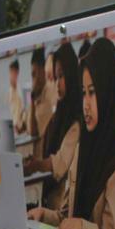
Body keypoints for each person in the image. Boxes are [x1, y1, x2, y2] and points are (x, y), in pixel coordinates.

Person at [27, 37, 115, 229]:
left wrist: (83, 227)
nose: (86, 104)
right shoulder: (82, 150)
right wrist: (43, 215)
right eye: (83, 93)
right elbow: (67, 217)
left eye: (92, 92)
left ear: (107, 93)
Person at [24, 42, 81, 211]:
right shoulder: (60, 114)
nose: (57, 84)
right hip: (49, 201)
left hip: (62, 207)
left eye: (61, 76)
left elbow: (60, 163)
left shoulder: (76, 120)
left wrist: (36, 165)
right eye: (55, 78)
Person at [26, 47, 53, 160]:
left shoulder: (51, 94)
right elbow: (32, 131)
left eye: (34, 74)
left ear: (43, 71)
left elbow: (33, 131)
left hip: (48, 158)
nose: (33, 80)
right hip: (38, 158)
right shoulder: (37, 97)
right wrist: (32, 100)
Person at [8, 59, 27, 135]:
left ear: (16, 73)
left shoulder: (21, 90)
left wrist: (21, 125)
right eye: (10, 72)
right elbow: (12, 110)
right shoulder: (10, 91)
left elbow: (24, 109)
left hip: (22, 127)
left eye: (12, 72)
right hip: (15, 128)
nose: (10, 75)